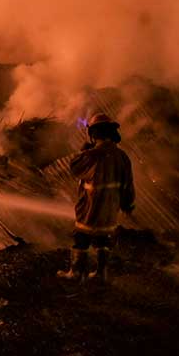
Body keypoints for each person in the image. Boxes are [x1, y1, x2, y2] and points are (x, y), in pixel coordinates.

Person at [57, 113, 135, 284]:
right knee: (103, 239)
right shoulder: (122, 157)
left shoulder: (92, 155)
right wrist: (127, 205)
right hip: (110, 209)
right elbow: (128, 185)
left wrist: (83, 151)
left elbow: (74, 168)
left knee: (81, 239)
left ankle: (76, 273)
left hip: (90, 207)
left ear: (94, 134)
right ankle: (101, 273)